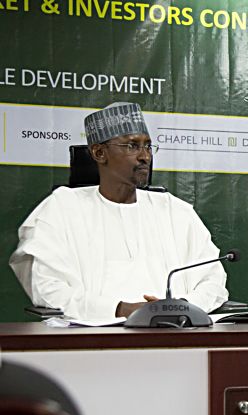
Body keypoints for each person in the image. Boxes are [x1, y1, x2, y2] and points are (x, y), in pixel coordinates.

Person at [9, 102, 229, 321]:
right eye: (132, 146)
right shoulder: (61, 208)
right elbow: (48, 288)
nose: (145, 156)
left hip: (177, 333)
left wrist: (178, 307)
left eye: (148, 146)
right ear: (99, 153)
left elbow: (213, 281)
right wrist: (122, 309)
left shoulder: (175, 211)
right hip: (90, 338)